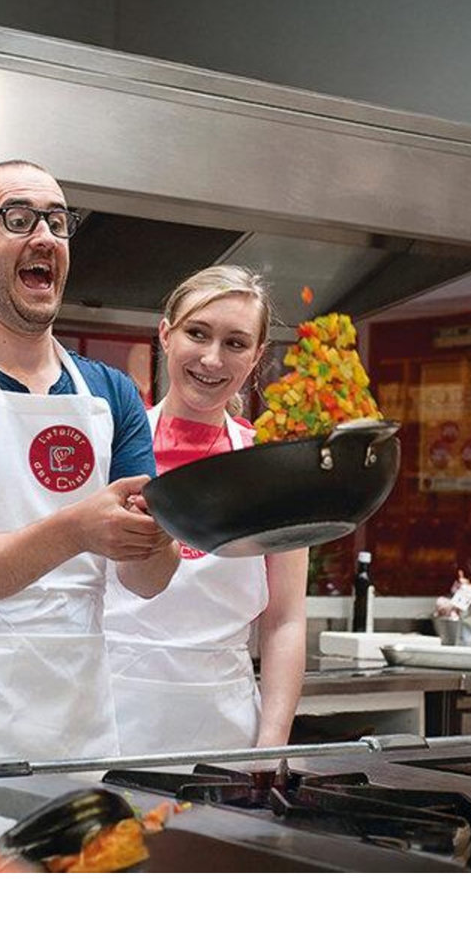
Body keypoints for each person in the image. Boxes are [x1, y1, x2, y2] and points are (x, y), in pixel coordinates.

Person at [0, 159, 179, 817]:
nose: (43, 235)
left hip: (77, 729)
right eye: (17, 219)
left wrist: (175, 527)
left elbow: (147, 580)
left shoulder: (112, 394)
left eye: (57, 221)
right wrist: (80, 528)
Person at [102, 266, 308, 754]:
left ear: (257, 356)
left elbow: (285, 620)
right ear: (166, 335)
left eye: (236, 343)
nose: (213, 359)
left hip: (227, 733)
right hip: (108, 719)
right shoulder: (111, 451)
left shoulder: (273, 471)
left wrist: (272, 748)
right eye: (198, 333)